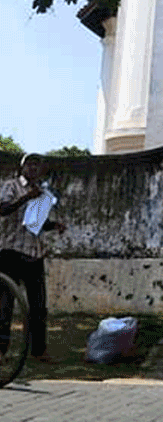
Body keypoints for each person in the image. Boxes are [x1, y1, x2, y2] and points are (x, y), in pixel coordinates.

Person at [0, 153, 66, 363]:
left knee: (39, 306)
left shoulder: (42, 193)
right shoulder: (11, 186)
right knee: (5, 304)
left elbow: (33, 223)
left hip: (34, 254)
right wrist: (27, 197)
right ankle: (1, 351)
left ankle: (39, 350)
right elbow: (3, 209)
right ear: (22, 168)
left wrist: (53, 225)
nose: (33, 168)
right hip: (10, 252)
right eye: (30, 164)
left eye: (37, 165)